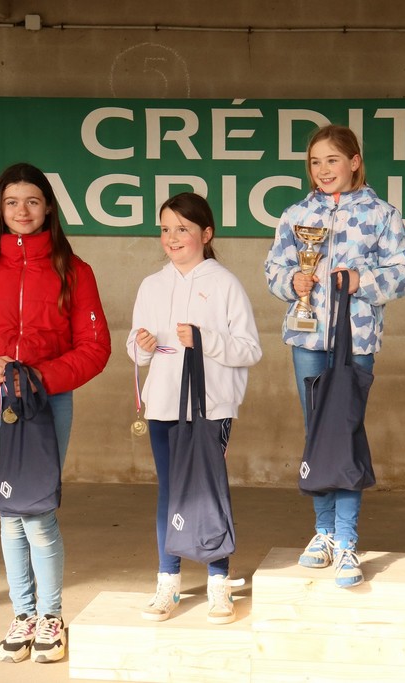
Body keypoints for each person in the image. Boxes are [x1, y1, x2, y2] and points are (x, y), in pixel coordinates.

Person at [0, 163, 111, 662]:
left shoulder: (74, 271)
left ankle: (51, 616)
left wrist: (40, 378)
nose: (22, 211)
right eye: (12, 202)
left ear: (48, 207)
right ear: (0, 208)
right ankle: (23, 614)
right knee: (11, 510)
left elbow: (95, 346)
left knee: (37, 510)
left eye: (32, 201)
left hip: (46, 400)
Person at [264, 124, 405, 589]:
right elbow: (273, 268)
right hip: (306, 339)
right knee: (317, 434)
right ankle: (324, 533)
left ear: (354, 161)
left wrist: (360, 281)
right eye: (315, 162)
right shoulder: (296, 214)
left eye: (332, 160)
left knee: (345, 433)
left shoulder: (381, 214)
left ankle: (348, 539)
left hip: (357, 339)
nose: (323, 169)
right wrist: (292, 281)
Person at [127, 192, 262, 624]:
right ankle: (168, 581)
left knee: (206, 490)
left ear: (206, 234)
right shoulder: (152, 285)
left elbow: (250, 349)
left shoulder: (225, 283)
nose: (172, 237)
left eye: (182, 229)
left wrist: (205, 339)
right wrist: (142, 345)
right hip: (163, 405)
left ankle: (218, 582)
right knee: (170, 491)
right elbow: (135, 348)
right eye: (165, 229)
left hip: (210, 407)